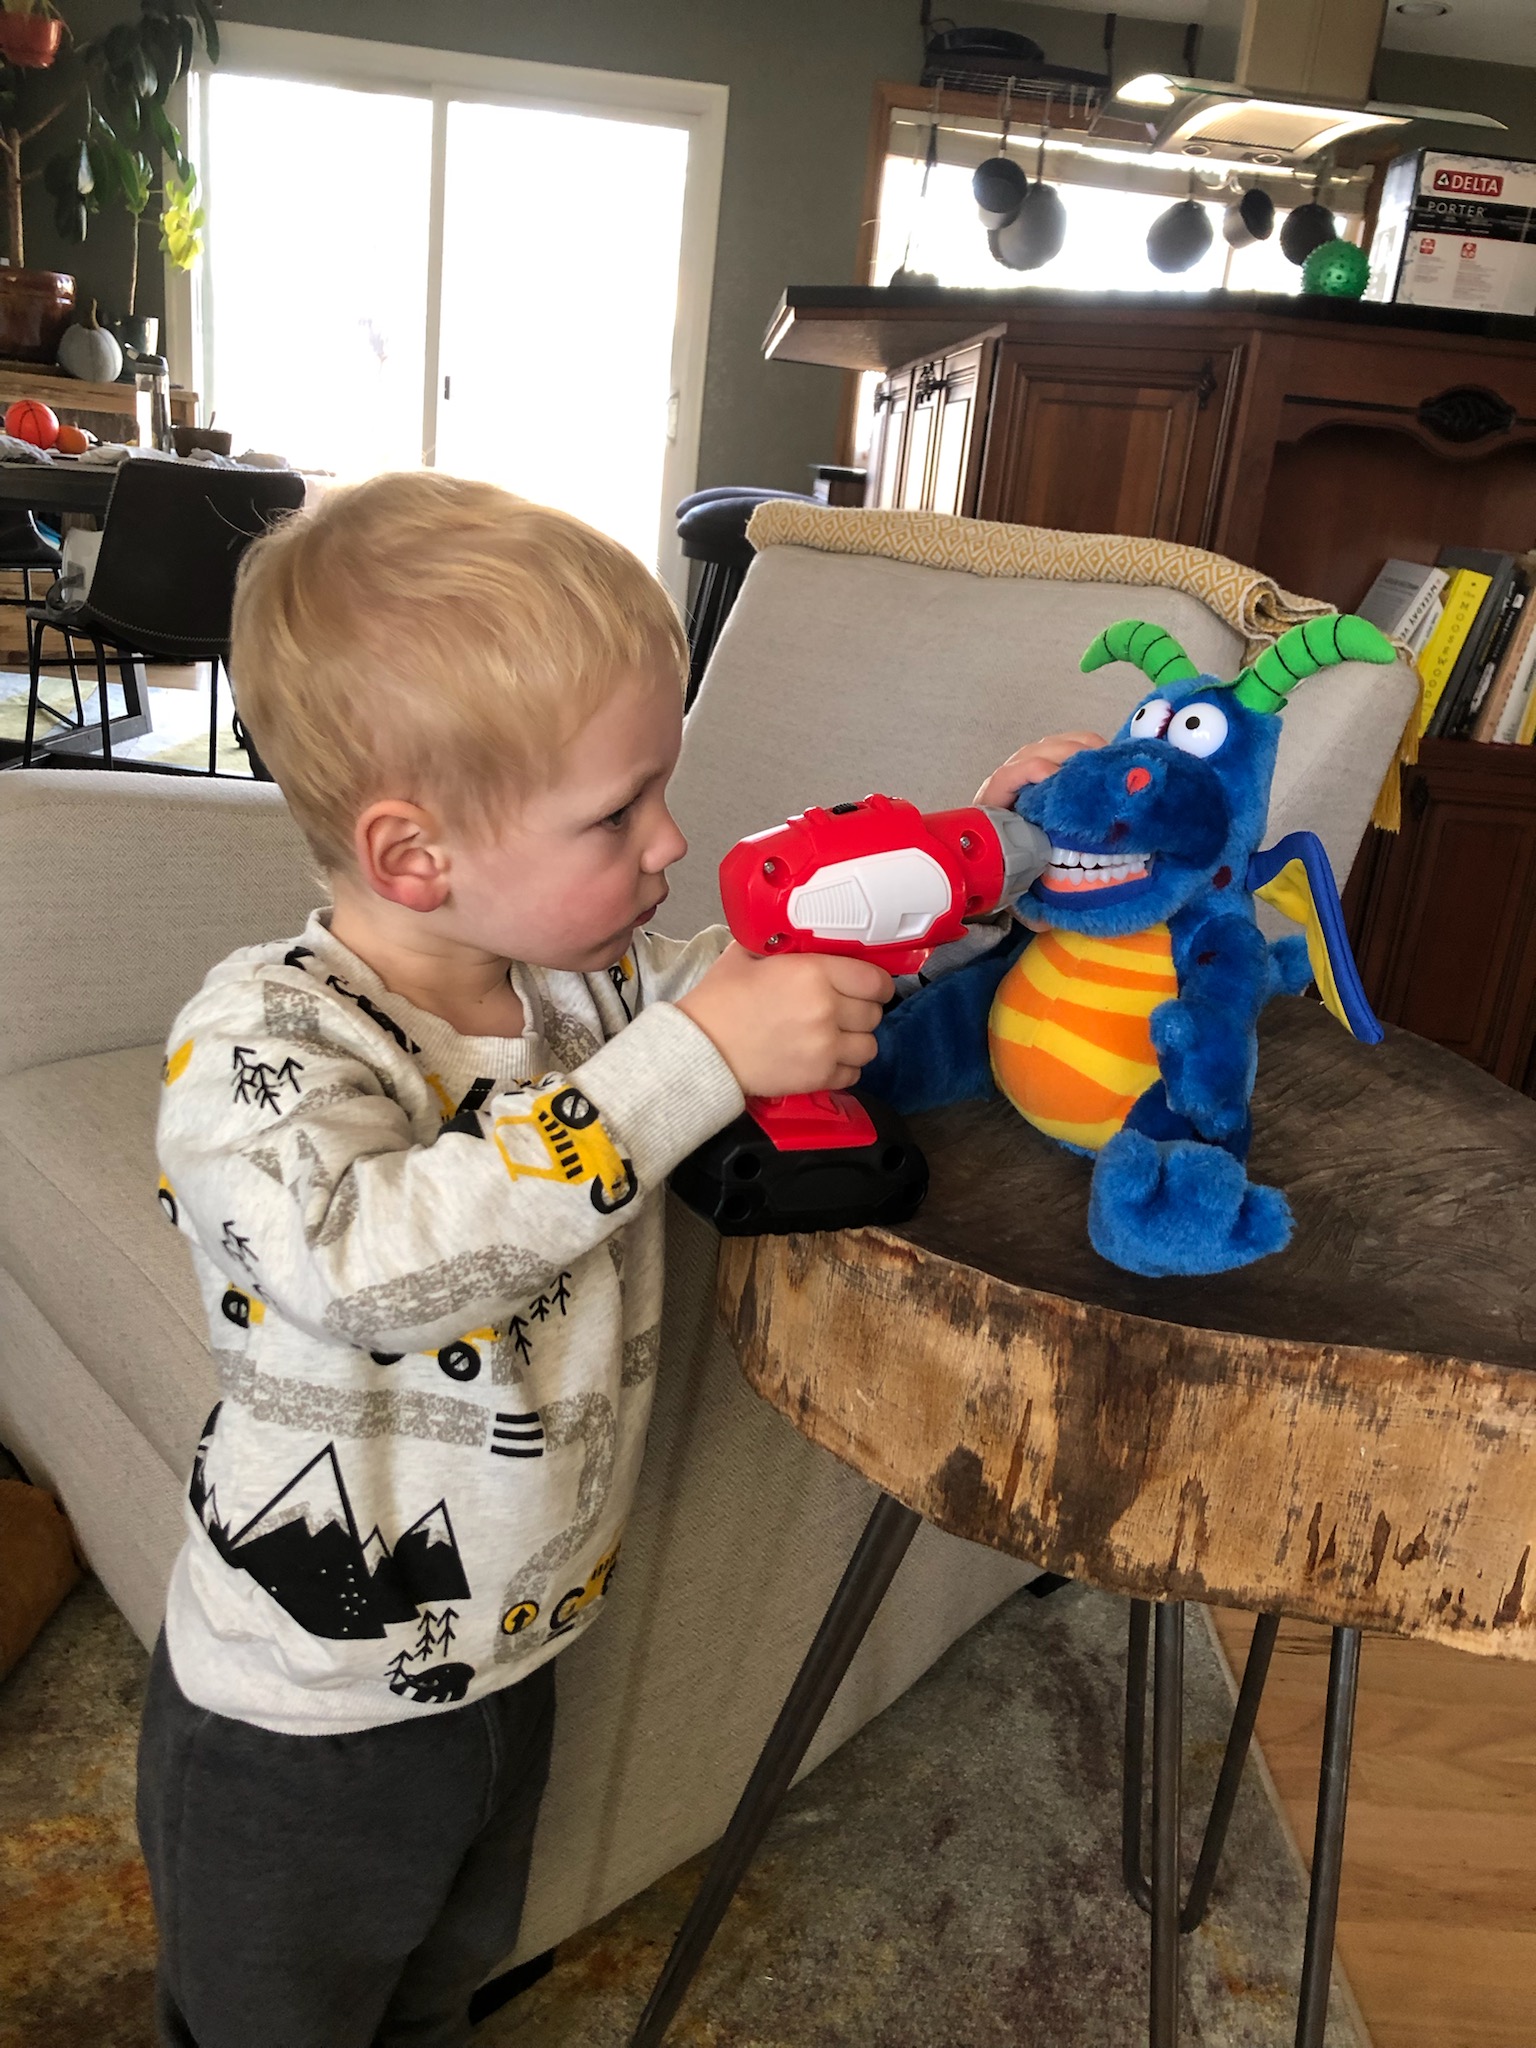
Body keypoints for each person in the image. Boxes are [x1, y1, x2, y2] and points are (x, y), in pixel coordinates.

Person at [136, 470, 1097, 2048]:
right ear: (415, 851)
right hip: (301, 1717)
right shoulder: (266, 1046)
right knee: (270, 2023)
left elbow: (784, 962)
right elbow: (372, 1267)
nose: (672, 840)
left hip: (512, 1652)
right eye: (617, 812)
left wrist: (990, 851)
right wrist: (689, 1065)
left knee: (433, 1984)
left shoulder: (584, 993)